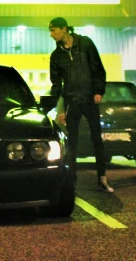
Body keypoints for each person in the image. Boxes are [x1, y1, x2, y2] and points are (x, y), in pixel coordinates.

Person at [48, 17, 114, 193]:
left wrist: (98, 91)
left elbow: (98, 68)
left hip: (89, 100)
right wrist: (49, 104)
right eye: (50, 31)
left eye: (54, 30)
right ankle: (72, 179)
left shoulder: (85, 44)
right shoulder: (56, 56)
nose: (51, 34)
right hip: (72, 102)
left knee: (96, 139)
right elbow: (56, 84)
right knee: (72, 142)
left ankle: (102, 177)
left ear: (64, 29)